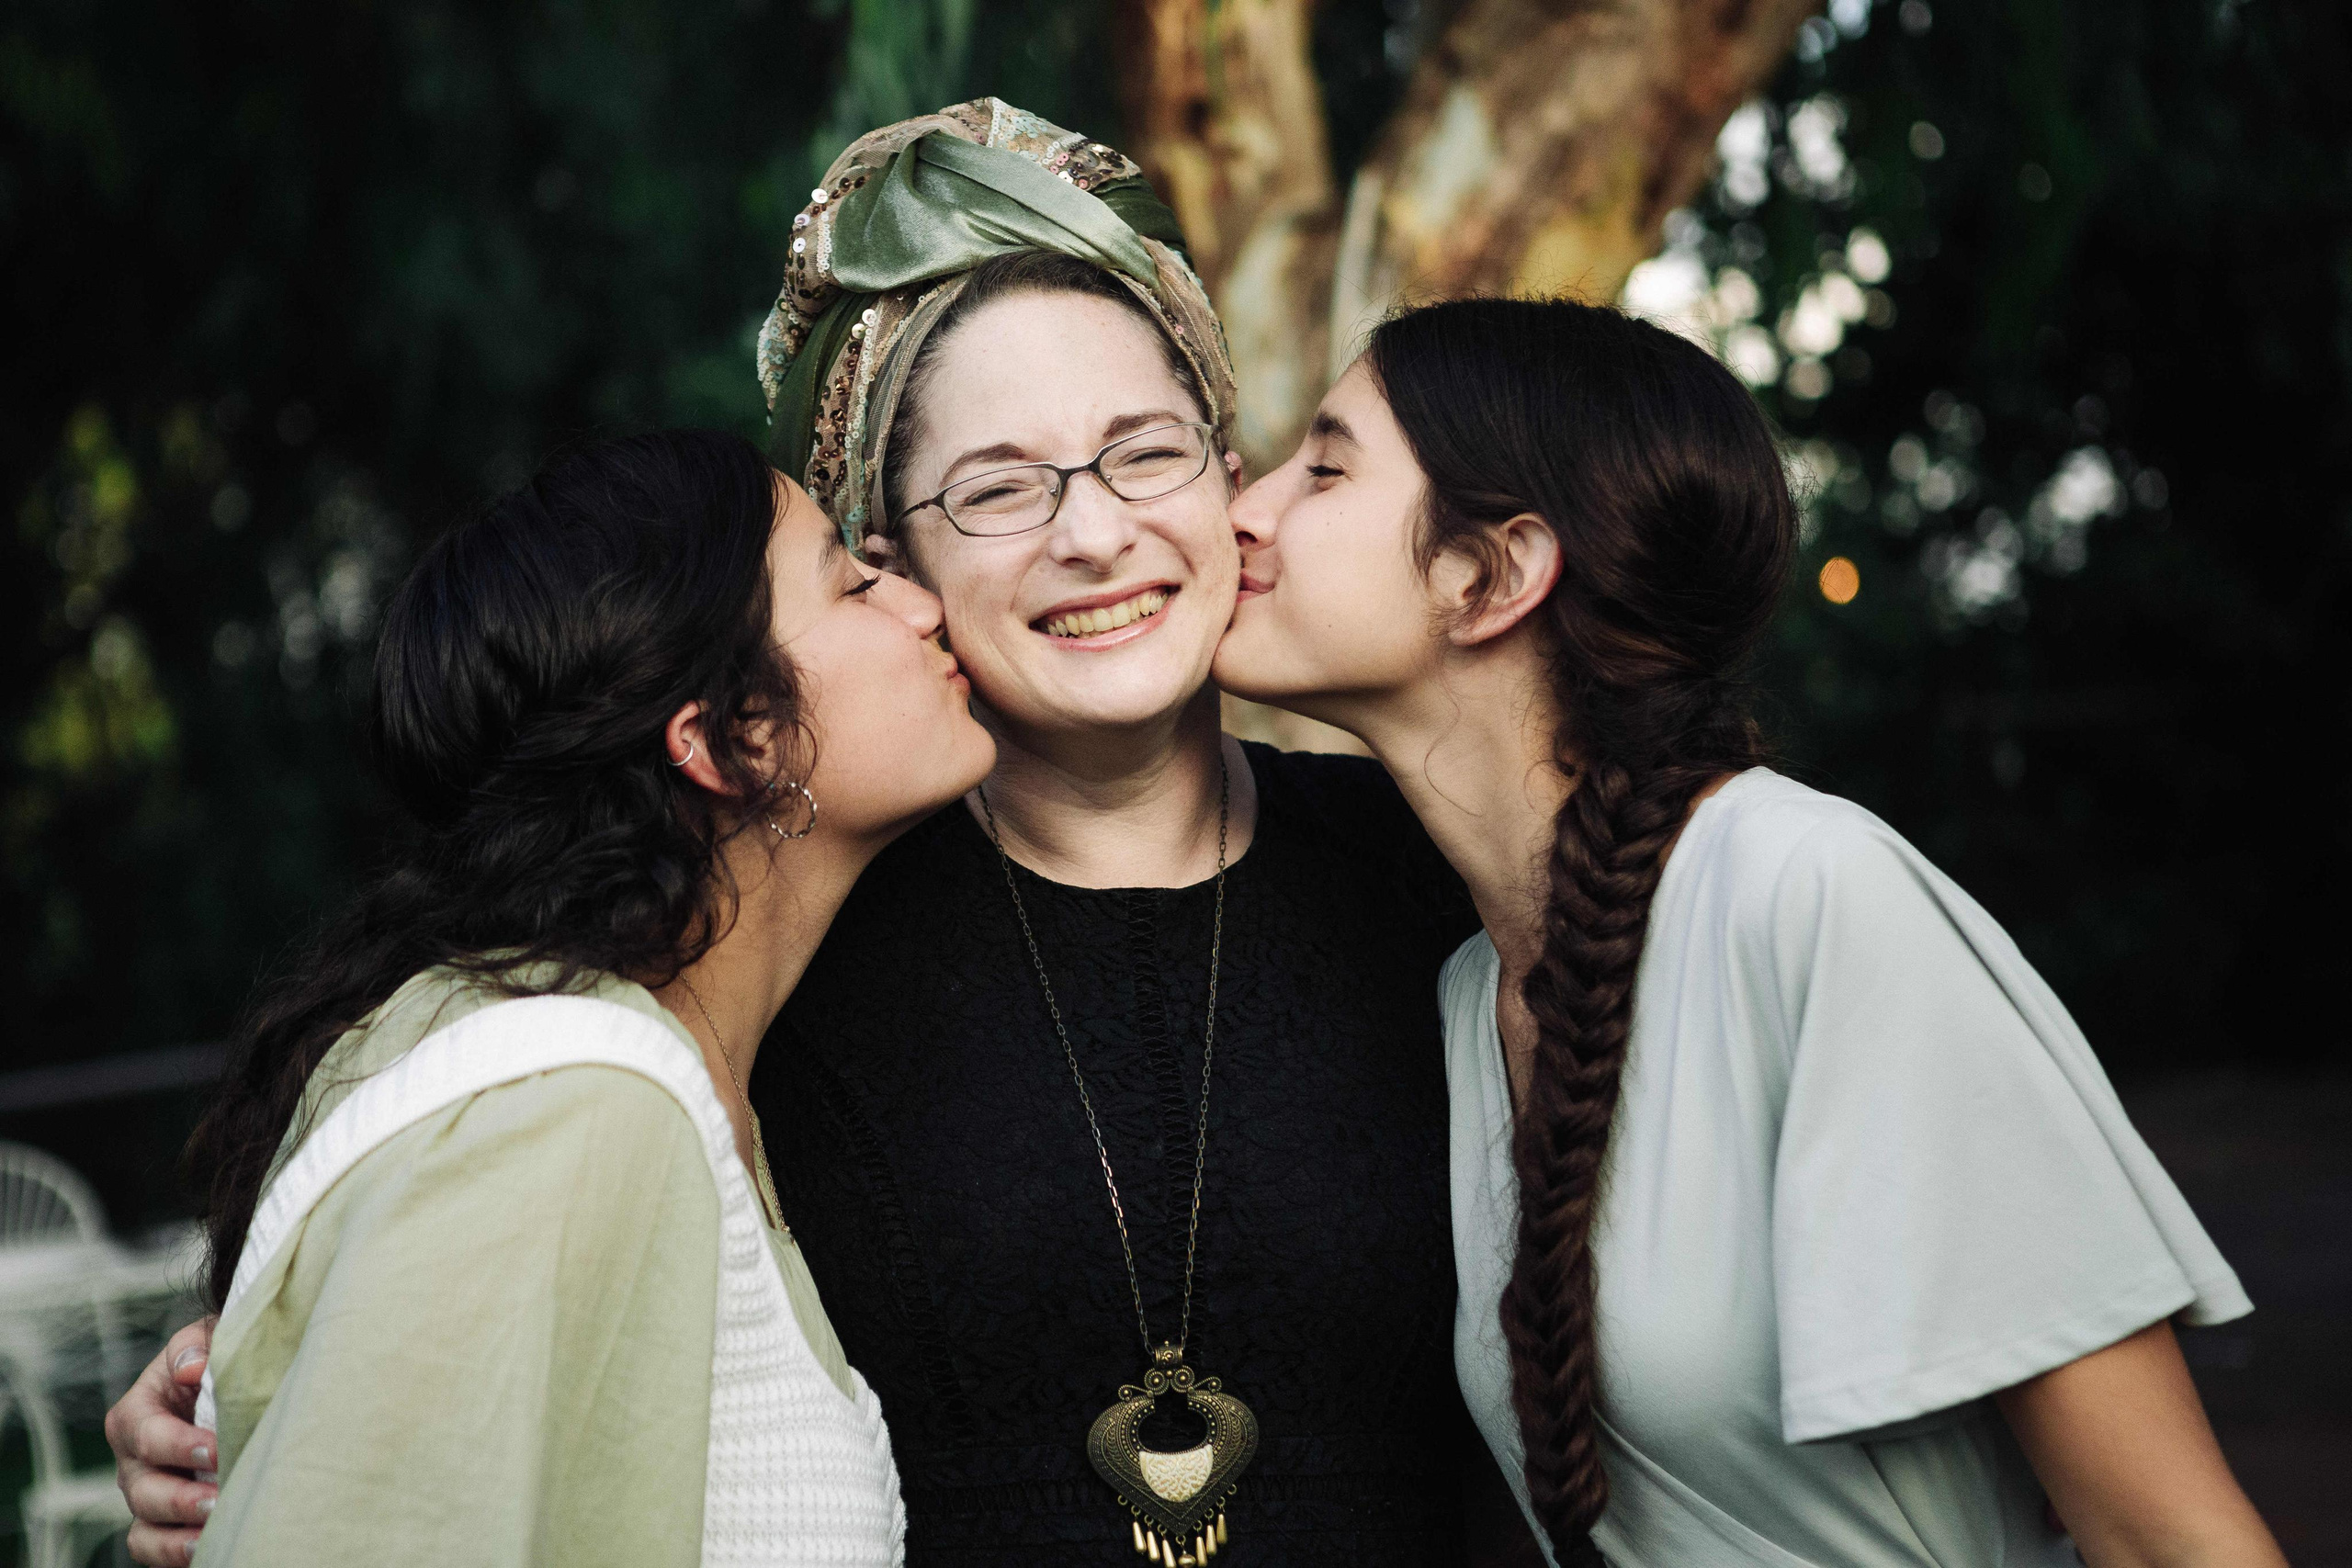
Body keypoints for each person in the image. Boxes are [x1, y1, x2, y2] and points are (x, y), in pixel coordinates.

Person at [111, 104, 1493, 1567]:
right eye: (1000, 487)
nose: (1090, 532)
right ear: (895, 560)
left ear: (1229, 477)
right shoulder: (774, 929)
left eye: (1145, 452)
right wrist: (233, 1403)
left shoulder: (1436, 873)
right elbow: (477, 1239)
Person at [1211, 296, 2289, 1568]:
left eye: (1324, 466)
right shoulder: (1467, 993)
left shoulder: (1808, 895)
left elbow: (2171, 1536)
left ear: (1490, 574)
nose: (1244, 506)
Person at [121, 429, 995, 1566]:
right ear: (731, 738)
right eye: (850, 579)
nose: (921, 606)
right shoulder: (563, 1099)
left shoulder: (667, 1076)